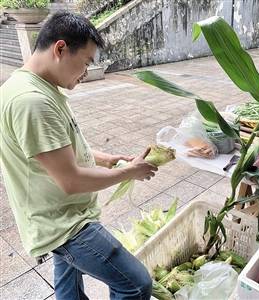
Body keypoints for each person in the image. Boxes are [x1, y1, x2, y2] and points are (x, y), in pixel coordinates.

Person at [0, 12, 156, 300]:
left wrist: (105, 158)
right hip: (65, 225)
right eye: (85, 62)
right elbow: (70, 180)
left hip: (55, 212)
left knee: (67, 287)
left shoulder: (31, 87)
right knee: (136, 284)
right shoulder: (32, 101)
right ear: (60, 48)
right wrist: (130, 172)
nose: (85, 72)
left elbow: (59, 150)